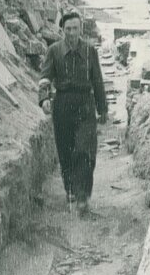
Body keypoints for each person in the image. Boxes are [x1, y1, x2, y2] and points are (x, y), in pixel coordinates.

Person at [38, 12, 108, 216]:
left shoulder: (90, 51)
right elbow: (45, 78)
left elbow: (97, 80)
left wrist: (102, 108)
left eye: (75, 28)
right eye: (68, 29)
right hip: (62, 105)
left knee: (85, 150)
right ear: (62, 30)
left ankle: (83, 196)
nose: (71, 33)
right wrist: (44, 99)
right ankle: (70, 189)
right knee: (66, 150)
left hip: (85, 104)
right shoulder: (54, 51)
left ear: (81, 29)